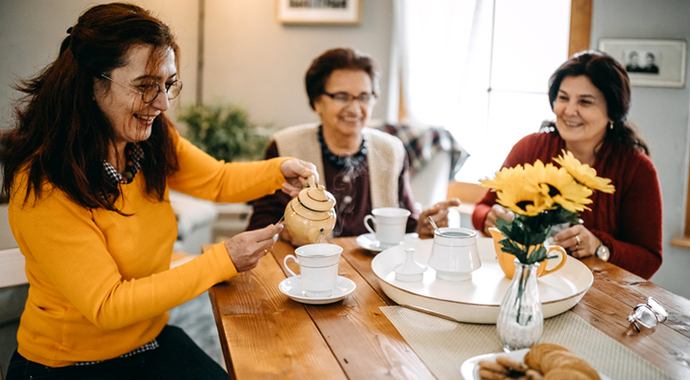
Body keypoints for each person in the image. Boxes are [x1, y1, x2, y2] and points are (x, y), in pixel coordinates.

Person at [2, 3, 315, 379]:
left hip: (148, 343)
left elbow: (215, 179)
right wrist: (223, 259)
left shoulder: (147, 143)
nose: (163, 104)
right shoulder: (44, 185)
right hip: (69, 366)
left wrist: (279, 170)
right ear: (89, 84)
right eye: (145, 87)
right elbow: (108, 304)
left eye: (167, 85)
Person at [472, 51, 662, 280]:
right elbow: (482, 208)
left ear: (613, 112)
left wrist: (600, 245)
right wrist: (490, 218)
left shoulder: (636, 169)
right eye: (563, 98)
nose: (569, 110)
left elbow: (650, 258)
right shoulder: (529, 149)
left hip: (599, 295)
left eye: (585, 101)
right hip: (529, 279)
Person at [246, 48, 460, 244]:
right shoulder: (284, 148)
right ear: (317, 102)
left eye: (363, 97)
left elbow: (406, 221)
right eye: (341, 97)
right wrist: (287, 231)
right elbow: (261, 225)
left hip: (374, 269)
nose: (355, 108)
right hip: (306, 268)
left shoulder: (392, 150)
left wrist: (425, 223)